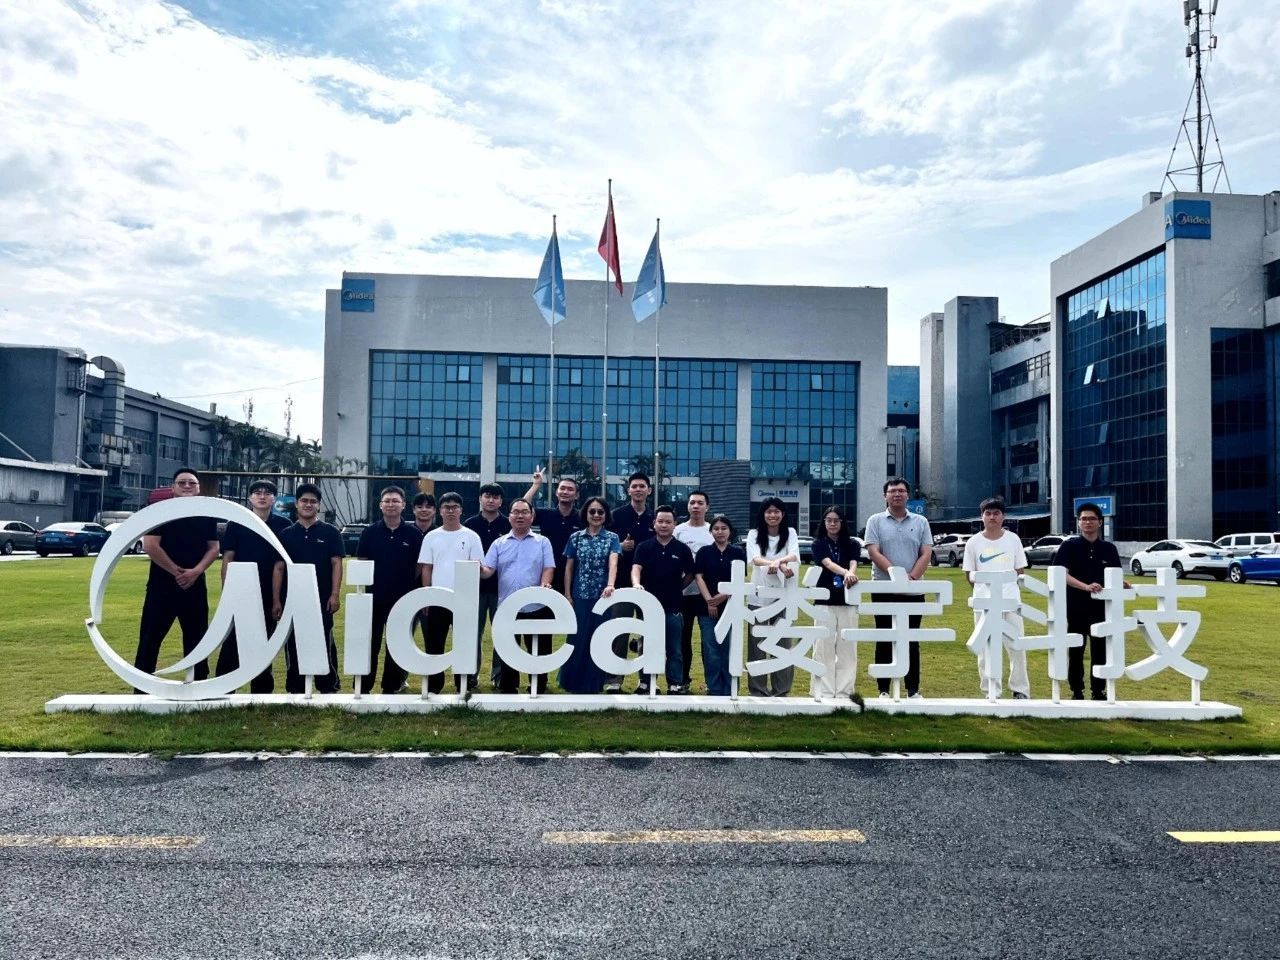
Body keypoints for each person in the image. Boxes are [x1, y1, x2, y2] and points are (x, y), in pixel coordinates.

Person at [133, 467, 219, 689]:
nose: (187, 486)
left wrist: (196, 571)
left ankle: (199, 688)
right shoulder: (159, 512)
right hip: (161, 587)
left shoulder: (206, 514)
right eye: (182, 482)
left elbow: (213, 548)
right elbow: (150, 545)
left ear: (198, 488)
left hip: (195, 586)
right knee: (150, 639)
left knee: (197, 640)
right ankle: (141, 691)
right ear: (173, 487)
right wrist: (177, 572)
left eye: (192, 483)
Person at [215, 478, 292, 693]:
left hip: (270, 591)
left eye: (267, 493)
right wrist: (227, 590)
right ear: (250, 498)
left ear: (274, 499)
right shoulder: (237, 523)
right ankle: (223, 688)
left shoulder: (283, 525)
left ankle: (261, 691)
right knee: (232, 641)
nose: (262, 496)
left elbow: (281, 564)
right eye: (257, 493)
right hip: (241, 590)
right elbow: (228, 558)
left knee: (264, 641)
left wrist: (277, 599)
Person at [864, 477, 933, 699]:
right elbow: (873, 552)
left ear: (907, 495)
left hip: (913, 589)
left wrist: (910, 577)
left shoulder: (921, 521)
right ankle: (883, 689)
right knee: (884, 637)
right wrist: (896, 576)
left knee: (911, 639)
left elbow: (926, 553)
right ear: (885, 496)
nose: (897, 494)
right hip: (884, 589)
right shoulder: (875, 521)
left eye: (901, 491)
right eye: (892, 491)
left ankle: (912, 689)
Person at [480, 498, 555, 694]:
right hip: (508, 606)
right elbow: (488, 571)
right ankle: (508, 686)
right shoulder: (499, 543)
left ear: (532, 516)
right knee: (508, 649)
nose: (519, 516)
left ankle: (538, 685)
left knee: (539, 648)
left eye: (524, 512)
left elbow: (548, 568)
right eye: (515, 512)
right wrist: (477, 568)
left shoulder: (542, 542)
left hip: (536, 605)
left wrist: (545, 584)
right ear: (509, 516)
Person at [272, 483, 342, 694]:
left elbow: (336, 564)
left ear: (318, 505)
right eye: (304, 501)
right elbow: (279, 568)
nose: (308, 505)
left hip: (322, 598)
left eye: (313, 501)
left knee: (324, 640)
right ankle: (295, 686)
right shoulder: (286, 534)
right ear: (297, 504)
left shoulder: (330, 532)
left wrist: (335, 594)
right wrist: (276, 600)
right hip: (292, 598)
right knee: (293, 641)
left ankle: (328, 686)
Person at [1052, 502, 1124, 701]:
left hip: (1102, 608)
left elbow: (1115, 575)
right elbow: (1061, 575)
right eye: (1083, 519)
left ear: (1100, 522)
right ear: (1078, 522)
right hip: (1076, 607)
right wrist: (1085, 586)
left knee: (1100, 650)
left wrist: (1123, 583)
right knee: (1076, 649)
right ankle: (1076, 691)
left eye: (1092, 518)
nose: (1088, 522)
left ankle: (1098, 690)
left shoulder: (1109, 549)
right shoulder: (1069, 547)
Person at [355, 485, 423, 694]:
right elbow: (362, 560)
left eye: (395, 501)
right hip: (373, 598)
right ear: (380, 505)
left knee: (396, 644)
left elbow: (419, 566)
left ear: (403, 505)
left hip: (403, 600)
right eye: (387, 501)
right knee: (370, 644)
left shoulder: (414, 534)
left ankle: (391, 687)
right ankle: (363, 687)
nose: (391, 504)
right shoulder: (370, 532)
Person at [962, 497, 1031, 700]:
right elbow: (969, 574)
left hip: (1010, 601)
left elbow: (1020, 571)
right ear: (982, 517)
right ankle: (991, 690)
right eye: (988, 513)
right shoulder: (973, 542)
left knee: (1016, 646)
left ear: (1003, 517)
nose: (992, 517)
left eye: (996, 513)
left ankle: (1020, 690)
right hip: (984, 603)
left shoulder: (1013, 539)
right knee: (985, 649)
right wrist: (986, 593)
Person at [418, 492, 484, 693]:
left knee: (464, 643)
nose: (451, 511)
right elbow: (427, 568)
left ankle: (463, 683)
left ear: (461, 510)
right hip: (438, 598)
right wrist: (427, 595)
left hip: (464, 599)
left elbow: (477, 567)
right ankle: (434, 685)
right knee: (434, 643)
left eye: (455, 507)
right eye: (447, 507)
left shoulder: (471, 536)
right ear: (440, 511)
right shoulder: (432, 536)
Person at [631, 504, 696, 694]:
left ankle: (674, 683)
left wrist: (679, 587)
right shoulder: (644, 547)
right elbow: (636, 568)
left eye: (668, 522)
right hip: (647, 606)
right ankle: (645, 682)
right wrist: (636, 584)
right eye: (660, 521)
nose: (664, 525)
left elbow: (691, 573)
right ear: (654, 523)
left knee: (674, 648)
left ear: (675, 524)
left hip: (673, 606)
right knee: (646, 645)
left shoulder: (682, 549)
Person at [560, 496, 619, 694]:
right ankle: (572, 682)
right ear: (585, 514)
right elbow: (569, 568)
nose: (596, 515)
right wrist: (568, 594)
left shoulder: (612, 538)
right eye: (592, 511)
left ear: (606, 515)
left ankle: (594, 683)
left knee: (598, 639)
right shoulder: (575, 537)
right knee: (577, 639)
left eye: (600, 512)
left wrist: (610, 584)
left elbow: (613, 562)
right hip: (580, 596)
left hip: (602, 597)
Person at [744, 496, 800, 697]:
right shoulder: (754, 534)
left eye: (777, 511)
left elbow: (794, 555)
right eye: (769, 511)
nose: (773, 515)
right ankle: (757, 689)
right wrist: (776, 564)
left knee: (782, 644)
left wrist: (779, 562)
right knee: (756, 645)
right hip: (758, 597)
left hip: (783, 596)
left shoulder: (790, 532)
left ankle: (781, 690)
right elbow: (755, 559)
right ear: (763, 514)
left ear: (783, 514)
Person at [604, 472, 655, 693]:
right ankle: (614, 680)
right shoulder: (616, 516)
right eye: (634, 486)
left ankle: (646, 681)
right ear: (628, 490)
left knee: (648, 633)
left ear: (649, 490)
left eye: (642, 486)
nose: (638, 489)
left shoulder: (655, 517)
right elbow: (606, 545)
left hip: (650, 585)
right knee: (619, 631)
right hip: (621, 584)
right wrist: (620, 548)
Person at [811, 506, 861, 700]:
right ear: (824, 523)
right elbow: (828, 563)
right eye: (829, 520)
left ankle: (844, 691)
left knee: (848, 647)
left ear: (842, 523)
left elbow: (854, 562)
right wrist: (846, 573)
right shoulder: (818, 544)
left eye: (836, 520)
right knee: (823, 646)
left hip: (848, 599)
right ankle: (823, 690)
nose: (832, 524)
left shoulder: (853, 543)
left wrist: (851, 573)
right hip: (824, 599)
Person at [694, 514, 747, 696]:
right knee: (711, 649)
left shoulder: (738, 552)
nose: (720, 532)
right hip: (707, 609)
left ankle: (730, 688)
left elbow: (740, 580)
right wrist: (710, 601)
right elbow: (699, 577)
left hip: (731, 607)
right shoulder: (704, 552)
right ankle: (714, 688)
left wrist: (721, 597)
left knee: (729, 649)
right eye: (716, 528)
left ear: (730, 531)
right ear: (711, 532)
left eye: (724, 528)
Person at [464, 482, 510, 690]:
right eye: (487, 496)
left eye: (495, 497)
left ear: (501, 501)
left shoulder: (508, 524)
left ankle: (498, 675)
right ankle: (470, 674)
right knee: (473, 632)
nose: (491, 500)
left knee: (501, 633)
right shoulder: (469, 525)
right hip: (475, 588)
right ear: (480, 499)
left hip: (502, 588)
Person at [673, 490, 714, 689]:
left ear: (707, 507)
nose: (696, 506)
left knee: (709, 641)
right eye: (692, 503)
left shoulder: (713, 530)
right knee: (682, 640)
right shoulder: (678, 531)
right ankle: (682, 681)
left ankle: (711, 682)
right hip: (683, 594)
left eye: (700, 503)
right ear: (688, 506)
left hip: (707, 595)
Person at [522, 466, 584, 594]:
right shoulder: (546, 514)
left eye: (570, 489)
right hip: (547, 572)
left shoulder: (583, 517)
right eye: (562, 488)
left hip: (575, 573)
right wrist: (536, 485)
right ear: (557, 492)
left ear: (577, 495)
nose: (565, 492)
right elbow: (524, 507)